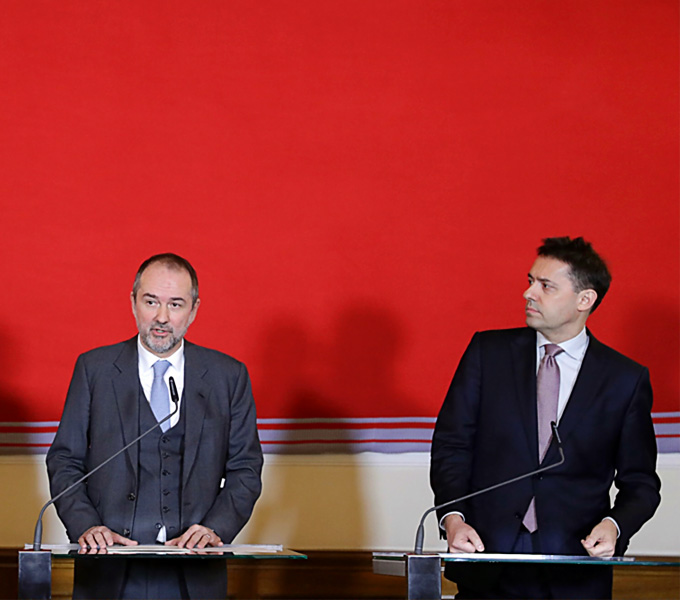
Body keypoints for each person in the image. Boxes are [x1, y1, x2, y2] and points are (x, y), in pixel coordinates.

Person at [430, 237, 660, 599]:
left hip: (574, 564)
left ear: (585, 300)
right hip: (486, 557)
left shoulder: (624, 379)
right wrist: (454, 519)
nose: (528, 293)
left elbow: (642, 483)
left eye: (545, 286)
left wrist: (616, 526)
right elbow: (452, 446)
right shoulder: (487, 353)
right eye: (530, 280)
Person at [47, 253, 263, 599]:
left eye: (176, 305)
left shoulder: (228, 376)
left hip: (195, 573)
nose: (162, 318)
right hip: (108, 572)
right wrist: (87, 526)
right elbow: (64, 461)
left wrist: (213, 529)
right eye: (151, 302)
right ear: (133, 303)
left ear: (193, 310)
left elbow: (246, 470)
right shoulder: (94, 369)